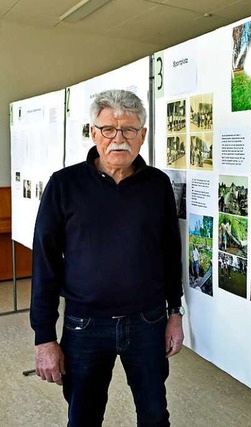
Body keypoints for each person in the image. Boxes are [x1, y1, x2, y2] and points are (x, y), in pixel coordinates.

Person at [31, 89, 184, 426]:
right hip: (84, 325)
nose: (119, 139)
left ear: (142, 135)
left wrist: (175, 313)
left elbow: (171, 253)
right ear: (93, 133)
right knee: (83, 417)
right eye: (108, 130)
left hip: (147, 322)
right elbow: (44, 263)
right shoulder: (63, 185)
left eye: (129, 130)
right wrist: (44, 337)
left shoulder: (157, 184)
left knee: (155, 415)